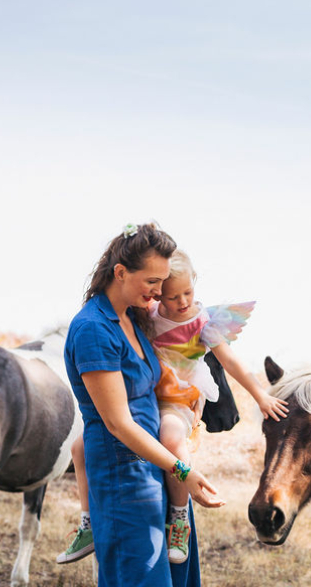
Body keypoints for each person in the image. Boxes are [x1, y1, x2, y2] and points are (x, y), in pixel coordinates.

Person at [58, 248, 289, 567]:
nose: (181, 302)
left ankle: (179, 519)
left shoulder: (204, 322)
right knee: (80, 448)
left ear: (196, 284)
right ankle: (87, 524)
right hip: (147, 397)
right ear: (157, 295)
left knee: (171, 439)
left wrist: (260, 395)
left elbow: (230, 361)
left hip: (177, 399)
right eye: (171, 296)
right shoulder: (148, 315)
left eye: (188, 293)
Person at [63, 223, 221, 586]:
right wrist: (183, 470)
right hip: (125, 481)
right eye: (152, 281)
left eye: (163, 280)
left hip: (159, 471)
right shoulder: (93, 330)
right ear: (120, 272)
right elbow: (118, 424)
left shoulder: (135, 318)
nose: (160, 290)